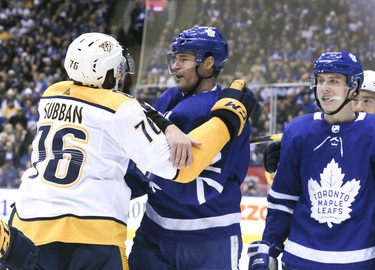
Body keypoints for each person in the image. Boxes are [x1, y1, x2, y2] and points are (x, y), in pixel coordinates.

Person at [8, 32, 256, 270]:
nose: (176, 66)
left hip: (29, 222)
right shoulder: (123, 109)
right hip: (93, 231)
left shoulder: (51, 93)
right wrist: (228, 118)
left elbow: (128, 108)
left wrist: (165, 126)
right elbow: (180, 169)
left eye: (184, 58)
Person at [127, 26, 252, 270]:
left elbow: (204, 189)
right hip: (154, 233)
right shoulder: (170, 97)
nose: (174, 66)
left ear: (208, 63)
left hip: (209, 240)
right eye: (174, 58)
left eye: (183, 59)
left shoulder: (225, 113)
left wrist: (146, 171)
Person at [248, 51, 375, 270]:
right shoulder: (298, 130)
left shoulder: (371, 132)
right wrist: (270, 245)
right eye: (321, 81)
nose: (325, 88)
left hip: (357, 261)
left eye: (334, 81)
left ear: (353, 86)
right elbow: (283, 199)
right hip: (299, 260)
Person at [263, 69, 375, 182]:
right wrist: (281, 169)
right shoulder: (324, 140)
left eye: (368, 101)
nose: (359, 108)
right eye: (354, 100)